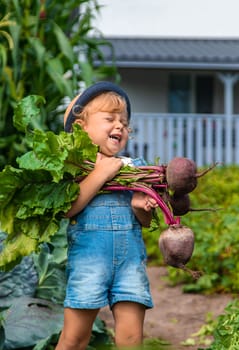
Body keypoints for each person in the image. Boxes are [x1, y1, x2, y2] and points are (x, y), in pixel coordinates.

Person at [56, 81, 158, 350]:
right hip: (90, 264)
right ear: (81, 128)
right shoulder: (75, 167)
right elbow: (69, 208)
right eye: (110, 119)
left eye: (124, 122)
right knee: (74, 339)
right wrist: (101, 172)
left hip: (130, 264)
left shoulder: (135, 169)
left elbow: (144, 223)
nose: (120, 126)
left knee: (131, 340)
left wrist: (140, 207)